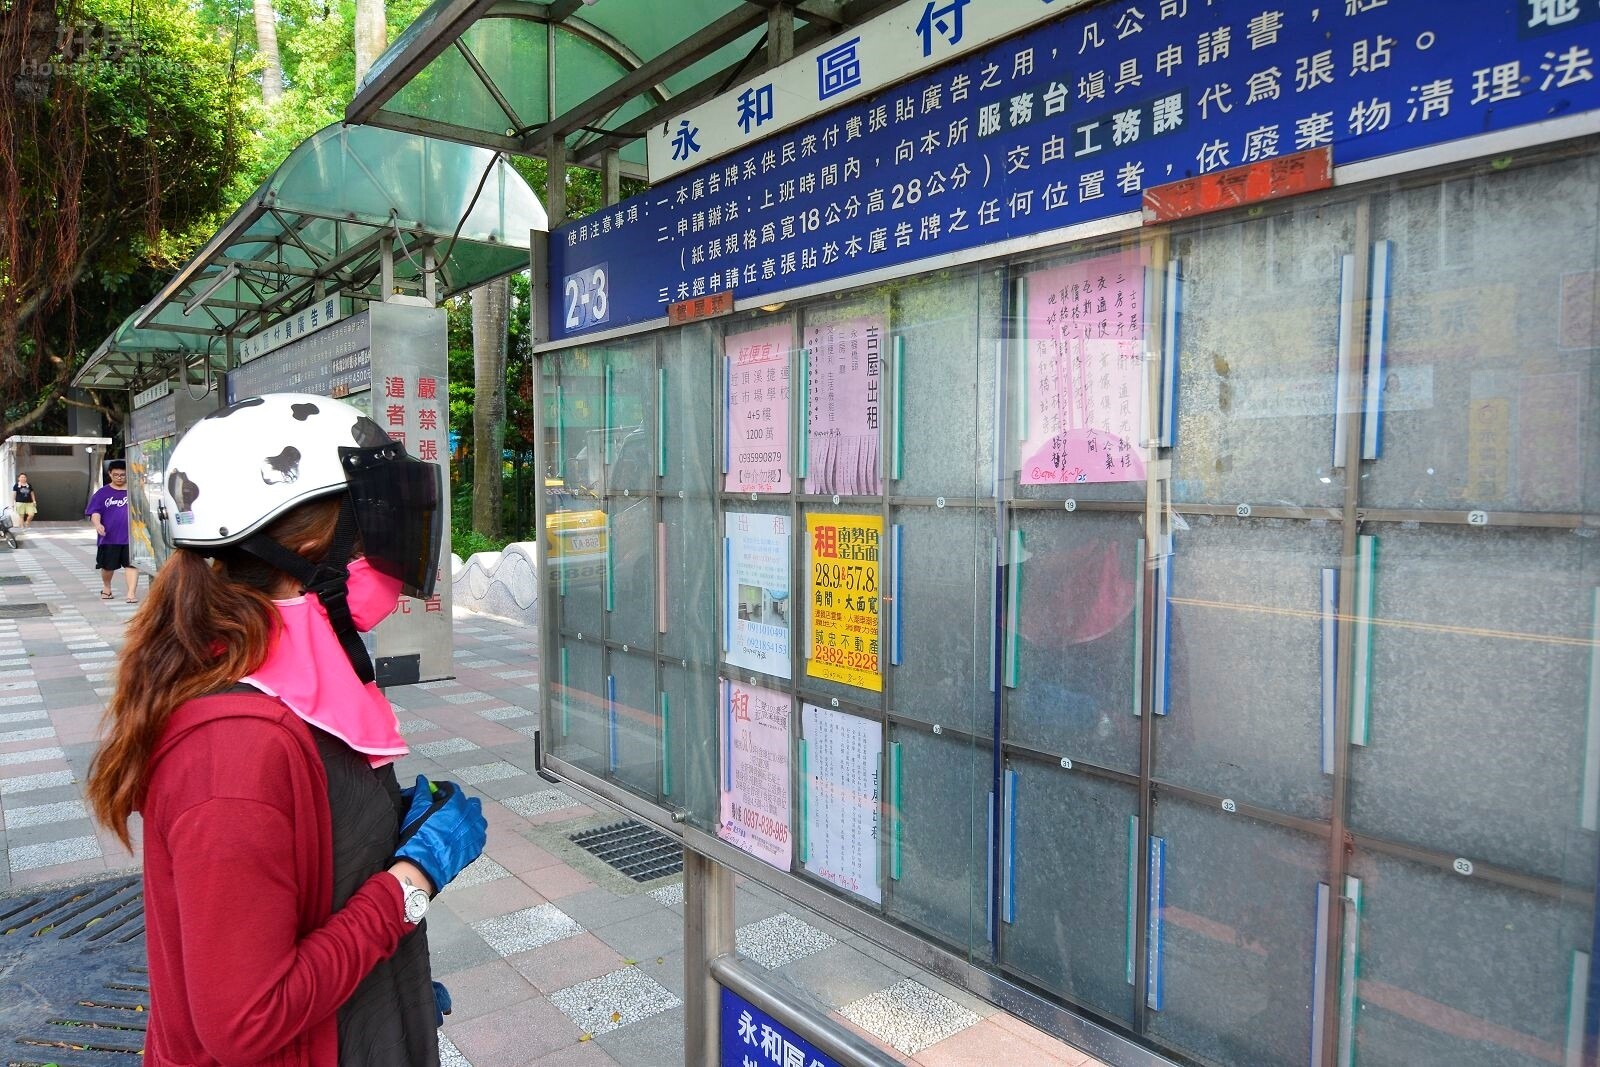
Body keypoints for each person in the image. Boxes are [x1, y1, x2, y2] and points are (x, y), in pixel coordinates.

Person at [86, 393, 483, 1067]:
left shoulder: (281, 683)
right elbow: (245, 1021)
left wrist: (393, 989)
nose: (387, 559)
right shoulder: (233, 750)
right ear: (304, 551)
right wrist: (411, 880)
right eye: (369, 533)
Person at [86, 461, 137, 602]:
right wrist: (97, 524)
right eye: (116, 475)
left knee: (131, 565)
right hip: (108, 537)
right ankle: (107, 588)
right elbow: (95, 512)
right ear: (110, 474)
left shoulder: (133, 492)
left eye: (122, 475)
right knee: (108, 567)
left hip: (131, 537)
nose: (119, 477)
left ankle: (131, 594)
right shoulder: (102, 493)